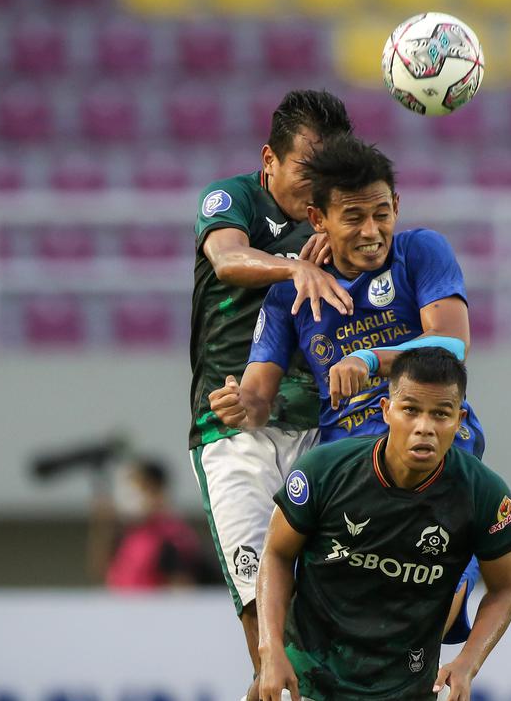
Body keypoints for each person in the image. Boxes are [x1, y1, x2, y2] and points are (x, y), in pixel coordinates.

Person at [208, 134, 485, 643]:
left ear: (397, 205)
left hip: (432, 444)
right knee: (321, 620)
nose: (372, 231)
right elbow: (257, 398)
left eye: (382, 213)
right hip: (346, 465)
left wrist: (369, 359)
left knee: (433, 596)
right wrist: (237, 404)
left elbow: (452, 347)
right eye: (354, 217)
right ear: (319, 220)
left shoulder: (420, 252)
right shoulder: (288, 293)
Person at [187, 89, 354, 687]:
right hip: (235, 431)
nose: (318, 186)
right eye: (307, 169)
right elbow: (228, 260)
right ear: (270, 160)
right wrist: (296, 265)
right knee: (267, 630)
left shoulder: (338, 218)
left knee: (325, 623)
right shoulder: (232, 198)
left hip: (321, 431)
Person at [258, 348, 511, 701]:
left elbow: (505, 588)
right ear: (386, 411)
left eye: (440, 414)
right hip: (305, 685)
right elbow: (276, 554)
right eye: (410, 410)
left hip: (405, 692)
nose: (424, 427)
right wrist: (270, 649)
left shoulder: (483, 494)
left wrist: (467, 662)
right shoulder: (325, 470)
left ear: (459, 421)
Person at [87, 458, 205, 590]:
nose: (130, 496)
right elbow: (104, 571)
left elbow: (182, 588)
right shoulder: (130, 533)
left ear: (157, 491)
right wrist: (103, 523)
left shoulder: (172, 536)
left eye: (137, 488)